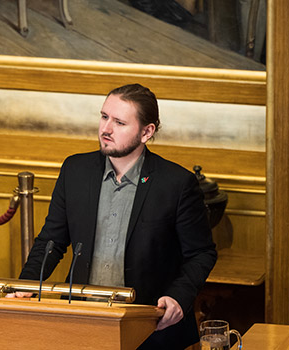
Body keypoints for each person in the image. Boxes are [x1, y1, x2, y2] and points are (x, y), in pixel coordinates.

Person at [15, 84, 216, 349]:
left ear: (146, 132)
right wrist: (26, 284)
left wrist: (178, 297)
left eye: (119, 122)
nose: (105, 129)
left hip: (152, 328)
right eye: (104, 117)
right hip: (83, 322)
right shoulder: (75, 170)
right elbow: (51, 241)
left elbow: (201, 254)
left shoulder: (176, 184)